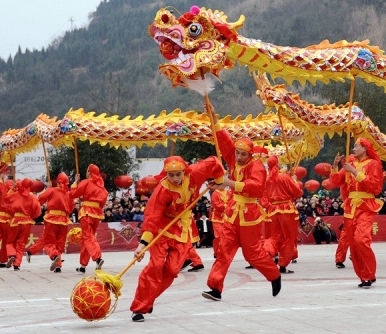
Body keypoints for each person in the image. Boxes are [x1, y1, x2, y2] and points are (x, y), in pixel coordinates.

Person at [130, 155, 225, 322]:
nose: (174, 178)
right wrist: (142, 245)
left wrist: (218, 179)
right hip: (161, 230)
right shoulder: (161, 190)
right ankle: (139, 307)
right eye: (171, 175)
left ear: (184, 171)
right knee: (155, 266)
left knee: (173, 270)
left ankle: (149, 300)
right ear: (166, 174)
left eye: (178, 174)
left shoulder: (195, 173)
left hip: (182, 229)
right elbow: (152, 218)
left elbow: (214, 162)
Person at [203, 107, 281, 302]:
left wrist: (228, 183)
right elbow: (223, 141)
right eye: (237, 153)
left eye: (242, 154)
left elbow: (255, 188)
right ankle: (215, 288)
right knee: (224, 251)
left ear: (250, 155)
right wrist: (214, 118)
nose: (238, 157)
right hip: (232, 213)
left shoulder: (256, 167)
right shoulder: (232, 158)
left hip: (249, 214)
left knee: (252, 255)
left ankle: (274, 275)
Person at [328, 138, 383, 288]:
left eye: (356, 146)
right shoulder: (350, 165)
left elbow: (375, 186)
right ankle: (365, 276)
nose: (353, 149)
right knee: (353, 243)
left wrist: (354, 172)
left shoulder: (374, 164)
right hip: (350, 208)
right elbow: (334, 182)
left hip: (366, 206)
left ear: (365, 148)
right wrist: (334, 166)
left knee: (361, 240)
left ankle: (369, 273)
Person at [262, 156, 303, 274]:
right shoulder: (284, 177)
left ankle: (268, 251)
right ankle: (283, 265)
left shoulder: (267, 179)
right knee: (288, 238)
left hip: (273, 210)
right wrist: (294, 180)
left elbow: (263, 196)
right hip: (286, 210)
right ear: (277, 164)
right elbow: (297, 192)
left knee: (274, 236)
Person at [69, 164, 108, 273]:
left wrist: (74, 183)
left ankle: (97, 258)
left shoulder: (86, 182)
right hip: (97, 214)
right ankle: (83, 265)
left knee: (88, 237)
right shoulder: (101, 186)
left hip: (87, 213)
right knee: (88, 238)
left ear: (90, 172)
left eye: (87, 170)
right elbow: (103, 200)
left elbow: (72, 194)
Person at [36, 173, 75, 272]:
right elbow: (71, 209)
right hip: (63, 220)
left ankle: (54, 257)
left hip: (52, 219)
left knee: (49, 242)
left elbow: (40, 199)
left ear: (57, 181)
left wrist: (48, 189)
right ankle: (58, 265)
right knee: (60, 243)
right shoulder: (68, 193)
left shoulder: (52, 190)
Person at [4, 178, 42, 270]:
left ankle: (11, 255)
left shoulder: (15, 194)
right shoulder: (32, 196)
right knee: (21, 244)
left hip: (16, 220)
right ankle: (17, 264)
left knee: (10, 242)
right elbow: (38, 210)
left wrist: (12, 189)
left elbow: (5, 199)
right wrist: (31, 216)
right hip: (27, 221)